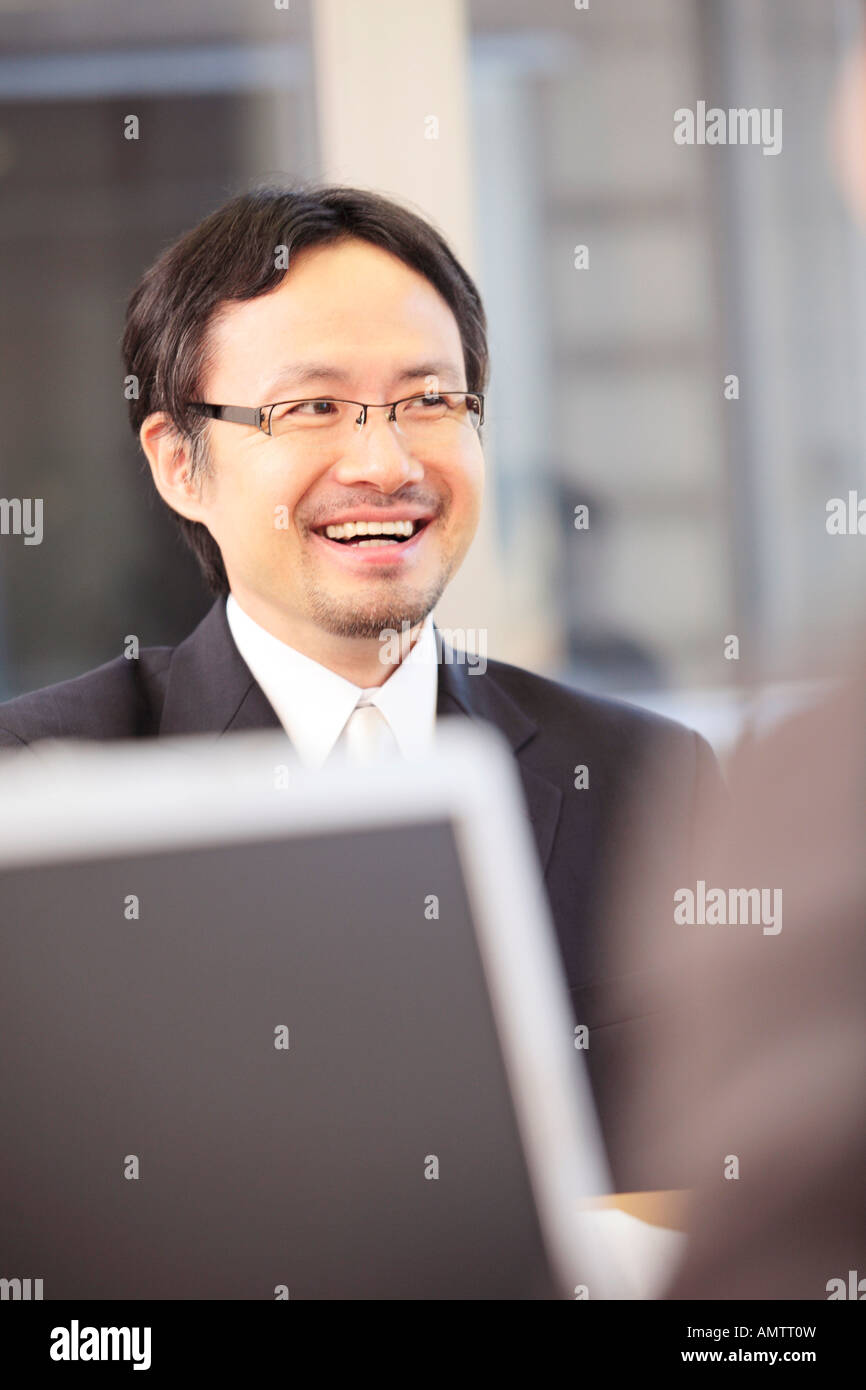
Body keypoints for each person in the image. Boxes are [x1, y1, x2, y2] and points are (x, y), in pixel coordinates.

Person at [0, 184, 723, 1190]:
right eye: (312, 407)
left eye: (429, 400)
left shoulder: (647, 777)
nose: (384, 463)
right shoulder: (36, 788)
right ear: (179, 464)